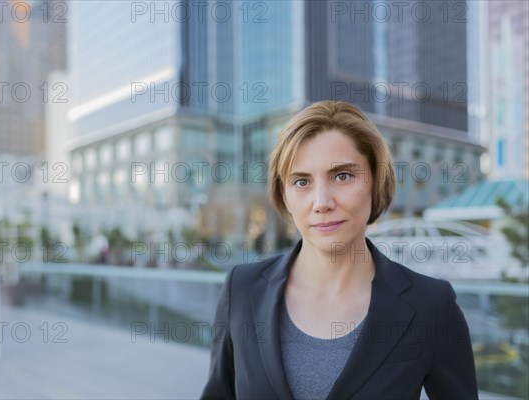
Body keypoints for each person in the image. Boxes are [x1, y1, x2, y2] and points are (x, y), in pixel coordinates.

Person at [201, 101, 478, 399]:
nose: (322, 201)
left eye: (342, 176)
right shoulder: (241, 290)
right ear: (285, 194)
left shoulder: (431, 306)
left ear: (375, 180)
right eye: (302, 181)